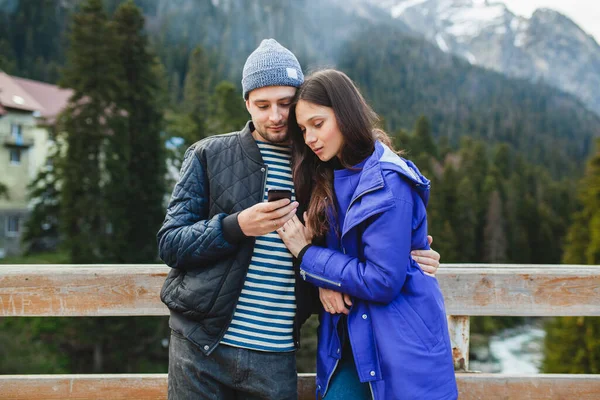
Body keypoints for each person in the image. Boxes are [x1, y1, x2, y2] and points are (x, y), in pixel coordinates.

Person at [158, 40, 442, 399]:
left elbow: (350, 243)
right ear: (246, 103)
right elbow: (170, 243)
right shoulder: (208, 155)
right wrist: (236, 226)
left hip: (276, 352)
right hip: (201, 346)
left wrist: (332, 276)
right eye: (262, 105)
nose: (275, 116)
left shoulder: (323, 164)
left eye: (285, 104)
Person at [277, 69, 458, 399]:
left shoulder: (387, 182)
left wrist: (307, 256)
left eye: (318, 124)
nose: (310, 138)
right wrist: (321, 282)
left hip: (400, 345)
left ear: (345, 114)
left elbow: (382, 281)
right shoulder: (325, 177)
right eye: (303, 129)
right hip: (346, 343)